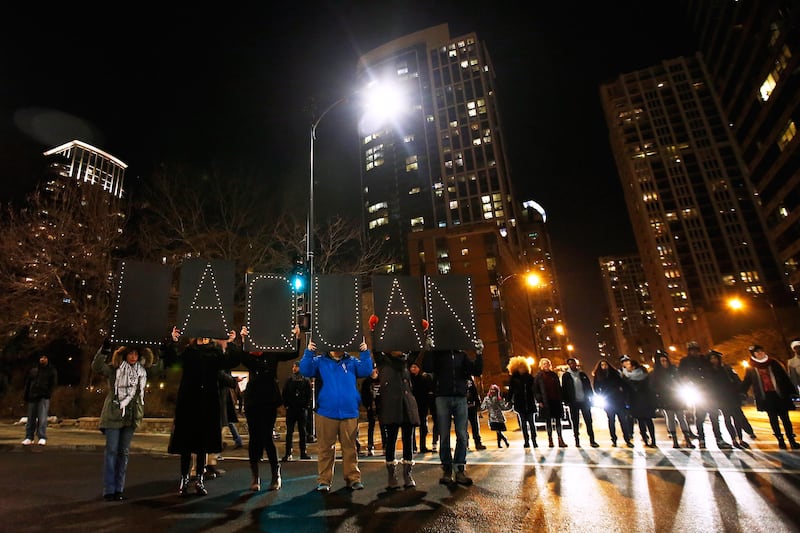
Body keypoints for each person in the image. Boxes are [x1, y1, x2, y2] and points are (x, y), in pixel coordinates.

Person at [166, 327, 242, 497]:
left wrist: (230, 343)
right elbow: (173, 362)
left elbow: (229, 362)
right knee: (186, 445)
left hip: (207, 403)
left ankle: (199, 479)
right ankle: (185, 479)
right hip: (189, 402)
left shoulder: (214, 352)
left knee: (202, 445)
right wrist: (173, 341)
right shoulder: (189, 351)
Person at [300, 338, 373, 492]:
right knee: (326, 448)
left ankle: (353, 478)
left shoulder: (352, 361)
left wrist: (364, 351)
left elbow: (367, 370)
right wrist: (309, 351)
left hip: (349, 412)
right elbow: (305, 370)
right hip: (326, 412)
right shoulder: (320, 361)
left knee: (350, 448)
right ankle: (324, 481)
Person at [239, 326, 300, 492]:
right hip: (253, 401)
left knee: (266, 436)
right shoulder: (249, 356)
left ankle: (276, 473)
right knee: (254, 438)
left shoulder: (271, 353)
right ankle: (255, 476)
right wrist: (242, 340)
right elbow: (240, 355)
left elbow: (292, 353)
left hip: (268, 400)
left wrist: (296, 337)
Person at [92, 342, 154, 501]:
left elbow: (158, 365)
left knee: (123, 453)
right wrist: (104, 348)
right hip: (114, 415)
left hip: (131, 416)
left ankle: (119, 488)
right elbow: (97, 367)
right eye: (130, 354)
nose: (133, 357)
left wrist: (159, 347)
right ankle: (109, 489)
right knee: (112, 452)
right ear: (124, 355)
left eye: (136, 354)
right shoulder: (115, 369)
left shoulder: (141, 371)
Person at [422, 338, 484, 486]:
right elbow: (427, 367)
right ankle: (448, 469)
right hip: (443, 396)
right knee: (444, 435)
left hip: (459, 397)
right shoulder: (439, 354)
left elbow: (477, 370)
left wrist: (479, 353)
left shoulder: (462, 355)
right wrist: (429, 350)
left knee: (462, 435)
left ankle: (459, 468)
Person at [374, 350, 420, 489]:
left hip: (406, 405)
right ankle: (391, 476)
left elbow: (416, 349)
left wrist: (424, 332)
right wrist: (373, 330)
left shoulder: (406, 362)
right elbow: (376, 348)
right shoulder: (383, 361)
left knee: (408, 440)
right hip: (391, 406)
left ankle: (407, 474)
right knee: (391, 441)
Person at [741, 345, 799, 449]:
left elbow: (784, 377)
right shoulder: (751, 367)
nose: (760, 354)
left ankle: (791, 440)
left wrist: (791, 391)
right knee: (773, 419)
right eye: (757, 352)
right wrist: (741, 392)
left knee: (785, 418)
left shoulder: (773, 362)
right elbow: (747, 381)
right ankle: (780, 440)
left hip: (779, 395)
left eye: (761, 351)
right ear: (753, 354)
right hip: (766, 397)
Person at [650, 350, 695, 448]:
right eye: (661, 361)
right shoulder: (656, 374)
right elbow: (653, 387)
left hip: (677, 397)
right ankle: (675, 440)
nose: (664, 363)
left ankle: (688, 439)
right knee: (670, 419)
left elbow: (681, 380)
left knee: (681, 418)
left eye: (665, 361)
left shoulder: (674, 370)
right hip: (666, 399)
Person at [707, 350, 752, 449]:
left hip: (732, 396)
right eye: (711, 358)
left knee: (737, 418)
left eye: (715, 358)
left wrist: (741, 392)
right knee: (727, 419)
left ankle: (740, 438)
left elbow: (736, 380)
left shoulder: (726, 368)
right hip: (721, 398)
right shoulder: (709, 372)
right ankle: (733, 439)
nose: (713, 360)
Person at [679, 341, 713, 448]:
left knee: (711, 414)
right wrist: (686, 382)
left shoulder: (703, 359)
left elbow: (710, 372)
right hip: (692, 388)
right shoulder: (684, 361)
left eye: (696, 350)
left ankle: (716, 437)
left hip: (706, 389)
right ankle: (699, 437)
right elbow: (681, 374)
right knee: (694, 414)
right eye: (692, 350)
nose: (694, 352)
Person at [592, 358, 633, 447]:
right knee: (611, 421)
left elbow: (622, 384)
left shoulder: (615, 374)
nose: (604, 366)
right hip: (608, 401)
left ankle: (627, 439)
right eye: (602, 365)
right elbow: (595, 387)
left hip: (618, 400)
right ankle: (614, 439)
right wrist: (601, 394)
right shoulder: (598, 376)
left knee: (623, 420)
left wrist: (622, 393)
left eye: (605, 364)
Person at [561, 357, 599, 448]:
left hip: (584, 401)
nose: (572, 365)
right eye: (570, 363)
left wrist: (591, 397)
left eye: (573, 363)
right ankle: (577, 441)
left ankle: (592, 440)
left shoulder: (582, 374)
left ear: (576, 364)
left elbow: (588, 387)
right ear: (568, 365)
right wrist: (566, 401)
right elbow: (564, 389)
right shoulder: (566, 375)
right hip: (573, 403)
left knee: (588, 421)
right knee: (575, 422)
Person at [22, 352, 58, 446]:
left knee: (42, 418)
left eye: (44, 357)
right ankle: (29, 437)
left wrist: (48, 394)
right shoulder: (34, 369)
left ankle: (42, 436)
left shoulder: (51, 370)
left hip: (43, 396)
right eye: (41, 357)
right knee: (31, 418)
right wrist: (26, 395)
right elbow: (28, 383)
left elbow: (53, 384)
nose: (42, 359)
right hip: (32, 396)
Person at [620, 356, 656, 447]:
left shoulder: (643, 375)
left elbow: (650, 388)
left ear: (634, 367)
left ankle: (652, 439)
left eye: (629, 365)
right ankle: (645, 438)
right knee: (641, 421)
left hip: (644, 400)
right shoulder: (626, 376)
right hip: (635, 401)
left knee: (647, 420)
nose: (627, 366)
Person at [282, 360, 312, 462]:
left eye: (296, 367)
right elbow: (285, 393)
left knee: (302, 432)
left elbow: (309, 395)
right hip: (292, 409)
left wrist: (305, 405)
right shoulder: (289, 380)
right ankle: (288, 453)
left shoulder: (305, 380)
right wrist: (286, 405)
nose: (294, 368)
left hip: (301, 409)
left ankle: (303, 452)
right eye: (293, 366)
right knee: (289, 432)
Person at [534, 357, 566, 448]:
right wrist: (539, 400)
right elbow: (536, 390)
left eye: (547, 363)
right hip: (546, 402)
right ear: (541, 365)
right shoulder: (538, 376)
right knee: (548, 422)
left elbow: (558, 387)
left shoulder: (554, 375)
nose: (546, 365)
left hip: (555, 401)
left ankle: (560, 439)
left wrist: (561, 398)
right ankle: (550, 440)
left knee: (558, 421)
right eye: (544, 364)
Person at [507, 356, 537, 448]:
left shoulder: (529, 377)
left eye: (523, 367)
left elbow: (535, 389)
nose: (522, 369)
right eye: (520, 367)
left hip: (530, 403)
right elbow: (511, 390)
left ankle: (534, 440)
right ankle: (526, 441)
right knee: (523, 424)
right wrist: (509, 400)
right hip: (520, 404)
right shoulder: (513, 379)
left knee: (532, 424)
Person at [409, 362, 436, 453]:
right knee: (411, 427)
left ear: (418, 368)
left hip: (422, 406)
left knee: (423, 427)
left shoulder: (423, 379)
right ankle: (412, 446)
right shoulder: (409, 379)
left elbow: (428, 391)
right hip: (412, 406)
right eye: (411, 367)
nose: (413, 369)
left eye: (415, 367)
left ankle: (422, 446)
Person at [360, 365, 383, 456]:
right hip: (371, 406)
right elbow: (364, 394)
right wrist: (367, 406)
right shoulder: (366, 382)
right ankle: (370, 446)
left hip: (381, 406)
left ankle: (385, 445)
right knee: (371, 427)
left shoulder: (381, 379)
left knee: (383, 426)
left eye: (374, 369)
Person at [481, 384, 510, 448]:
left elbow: (503, 407)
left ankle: (500, 443)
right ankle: (504, 440)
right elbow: (483, 407)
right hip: (491, 417)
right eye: (491, 390)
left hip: (499, 417)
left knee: (498, 431)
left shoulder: (498, 399)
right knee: (497, 431)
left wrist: (509, 405)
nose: (492, 391)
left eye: (494, 390)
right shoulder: (486, 399)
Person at [466, 376, 487, 450]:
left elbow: (474, 390)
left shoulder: (469, 378)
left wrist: (477, 402)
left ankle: (477, 442)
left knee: (475, 425)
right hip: (462, 405)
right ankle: (465, 444)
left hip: (472, 405)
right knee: (463, 426)